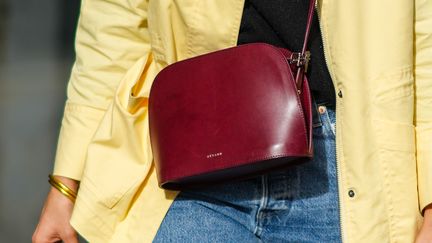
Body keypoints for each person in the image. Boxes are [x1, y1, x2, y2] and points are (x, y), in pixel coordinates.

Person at [33, 0, 432, 242]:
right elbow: (112, 30)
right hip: (190, 175)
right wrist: (66, 185)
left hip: (345, 178)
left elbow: (426, 40)